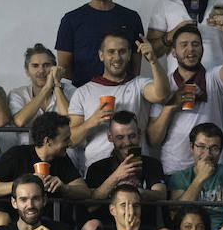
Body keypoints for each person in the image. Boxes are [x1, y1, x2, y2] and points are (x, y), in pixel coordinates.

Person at [148, 21, 223, 175]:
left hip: (216, 167)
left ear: (202, 49)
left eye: (195, 44)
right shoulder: (164, 85)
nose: (190, 49)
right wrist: (171, 105)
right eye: (184, 45)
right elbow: (153, 139)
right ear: (173, 52)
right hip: (176, 169)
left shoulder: (213, 78)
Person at [67, 30, 169, 168]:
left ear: (129, 55)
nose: (117, 57)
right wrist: (92, 121)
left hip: (135, 165)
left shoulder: (138, 84)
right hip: (97, 169)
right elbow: (71, 140)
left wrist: (153, 60)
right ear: (101, 55)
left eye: (122, 51)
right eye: (111, 52)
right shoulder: (83, 92)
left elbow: (162, 93)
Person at [56, 0, 145, 87]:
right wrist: (73, 95)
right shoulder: (71, 19)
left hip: (122, 93)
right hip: (82, 94)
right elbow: (64, 68)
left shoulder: (131, 18)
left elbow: (135, 64)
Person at [166, 122, 223, 230]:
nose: (207, 154)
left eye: (214, 148)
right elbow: (176, 212)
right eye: (201, 147)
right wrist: (200, 178)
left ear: (220, 150)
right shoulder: (180, 176)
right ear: (191, 147)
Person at [0, 111, 90, 203]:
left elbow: (85, 192)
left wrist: (64, 188)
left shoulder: (62, 158)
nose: (70, 143)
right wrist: (21, 185)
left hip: (52, 222)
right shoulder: (17, 154)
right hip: (18, 222)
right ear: (47, 141)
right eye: (65, 139)